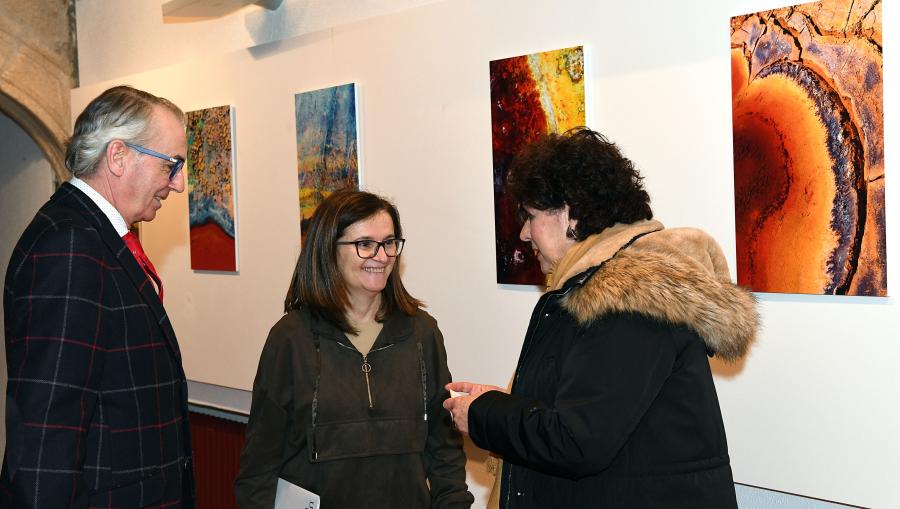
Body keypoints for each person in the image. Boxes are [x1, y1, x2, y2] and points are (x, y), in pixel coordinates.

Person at [444, 127, 758, 508]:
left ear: (571, 212)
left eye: (530, 216)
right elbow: (580, 410)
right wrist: (501, 402)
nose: (525, 234)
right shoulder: (596, 290)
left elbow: (577, 441)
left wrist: (483, 415)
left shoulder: (631, 297)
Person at [1, 85, 194, 508]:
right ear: (119, 156)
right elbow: (48, 425)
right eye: (172, 164)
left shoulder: (95, 237)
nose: (179, 184)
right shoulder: (69, 245)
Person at [234, 190, 474, 509]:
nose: (382, 255)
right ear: (328, 250)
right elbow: (259, 466)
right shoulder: (291, 338)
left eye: (389, 242)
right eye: (365, 244)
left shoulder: (422, 333)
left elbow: (444, 452)